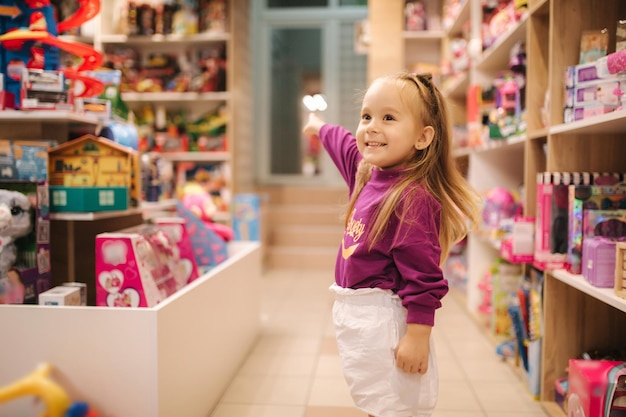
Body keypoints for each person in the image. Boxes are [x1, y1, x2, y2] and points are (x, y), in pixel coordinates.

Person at [302, 71, 481, 417]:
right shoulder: (369, 173)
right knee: (376, 401)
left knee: (394, 406)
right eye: (366, 116)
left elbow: (423, 276)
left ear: (423, 137)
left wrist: (418, 335)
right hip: (360, 321)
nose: (371, 126)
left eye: (388, 118)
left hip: (385, 323)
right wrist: (317, 126)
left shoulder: (411, 198)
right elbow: (343, 143)